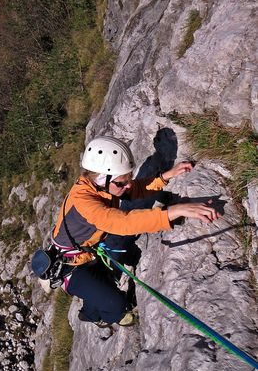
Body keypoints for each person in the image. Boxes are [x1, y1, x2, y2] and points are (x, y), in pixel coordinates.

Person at [51, 136, 220, 328]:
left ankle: (94, 300)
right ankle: (92, 315)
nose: (128, 185)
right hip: (69, 266)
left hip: (87, 251)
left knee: (106, 280)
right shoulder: (85, 201)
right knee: (117, 305)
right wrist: (175, 211)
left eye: (128, 179)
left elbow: (135, 189)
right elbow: (124, 222)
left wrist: (166, 176)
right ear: (101, 178)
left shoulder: (104, 186)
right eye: (122, 183)